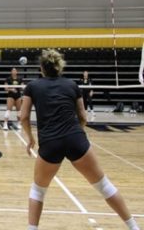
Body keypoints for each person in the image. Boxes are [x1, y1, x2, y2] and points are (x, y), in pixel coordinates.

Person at [20, 49, 139, 230]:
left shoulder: (32, 86)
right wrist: (77, 135)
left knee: (38, 190)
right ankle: (134, 227)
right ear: (59, 66)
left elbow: (23, 117)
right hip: (75, 138)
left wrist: (29, 138)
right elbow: (83, 116)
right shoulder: (72, 85)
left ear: (41, 68)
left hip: (50, 142)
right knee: (104, 186)